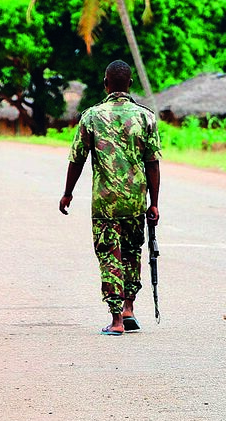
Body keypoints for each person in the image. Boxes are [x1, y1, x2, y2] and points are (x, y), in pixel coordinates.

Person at [60, 60, 161, 336]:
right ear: (130, 84)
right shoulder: (146, 117)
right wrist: (154, 202)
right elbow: (152, 163)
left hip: (105, 203)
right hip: (135, 202)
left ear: (106, 84)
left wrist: (68, 193)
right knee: (132, 253)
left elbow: (77, 159)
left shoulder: (91, 116)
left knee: (109, 255)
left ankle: (116, 320)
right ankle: (128, 308)